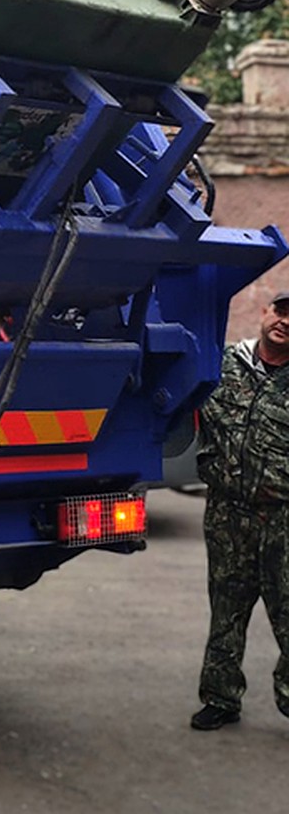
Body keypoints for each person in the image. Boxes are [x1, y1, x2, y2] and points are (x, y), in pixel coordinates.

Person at [191, 291, 289, 730]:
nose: (285, 322)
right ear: (265, 313)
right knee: (227, 608)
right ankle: (221, 697)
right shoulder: (223, 365)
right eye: (282, 311)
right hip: (228, 513)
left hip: (284, 518)